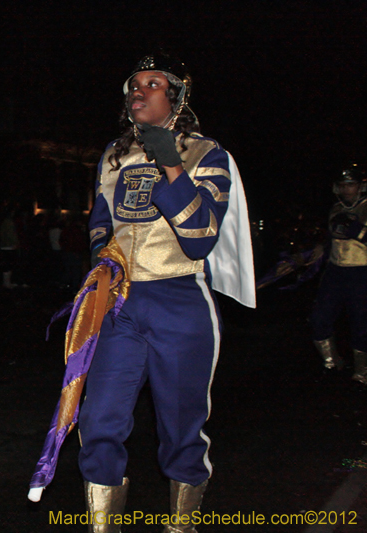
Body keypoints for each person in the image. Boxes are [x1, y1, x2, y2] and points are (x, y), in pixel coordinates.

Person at [80, 54, 240, 531]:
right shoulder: (113, 155)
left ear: (177, 96)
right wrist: (102, 260)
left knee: (181, 426)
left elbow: (200, 238)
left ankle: (182, 524)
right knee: (98, 420)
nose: (139, 89)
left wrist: (170, 162)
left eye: (153, 83)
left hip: (179, 300)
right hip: (119, 304)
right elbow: (100, 221)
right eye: (134, 83)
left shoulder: (206, 153)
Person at [309, 163, 367, 383]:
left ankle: (362, 374)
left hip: (361, 271)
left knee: (361, 323)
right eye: (342, 185)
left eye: (350, 185)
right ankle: (331, 362)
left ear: (360, 186)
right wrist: (320, 247)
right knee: (319, 318)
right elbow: (331, 236)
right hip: (335, 271)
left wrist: (357, 231)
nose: (346, 189)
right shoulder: (335, 208)